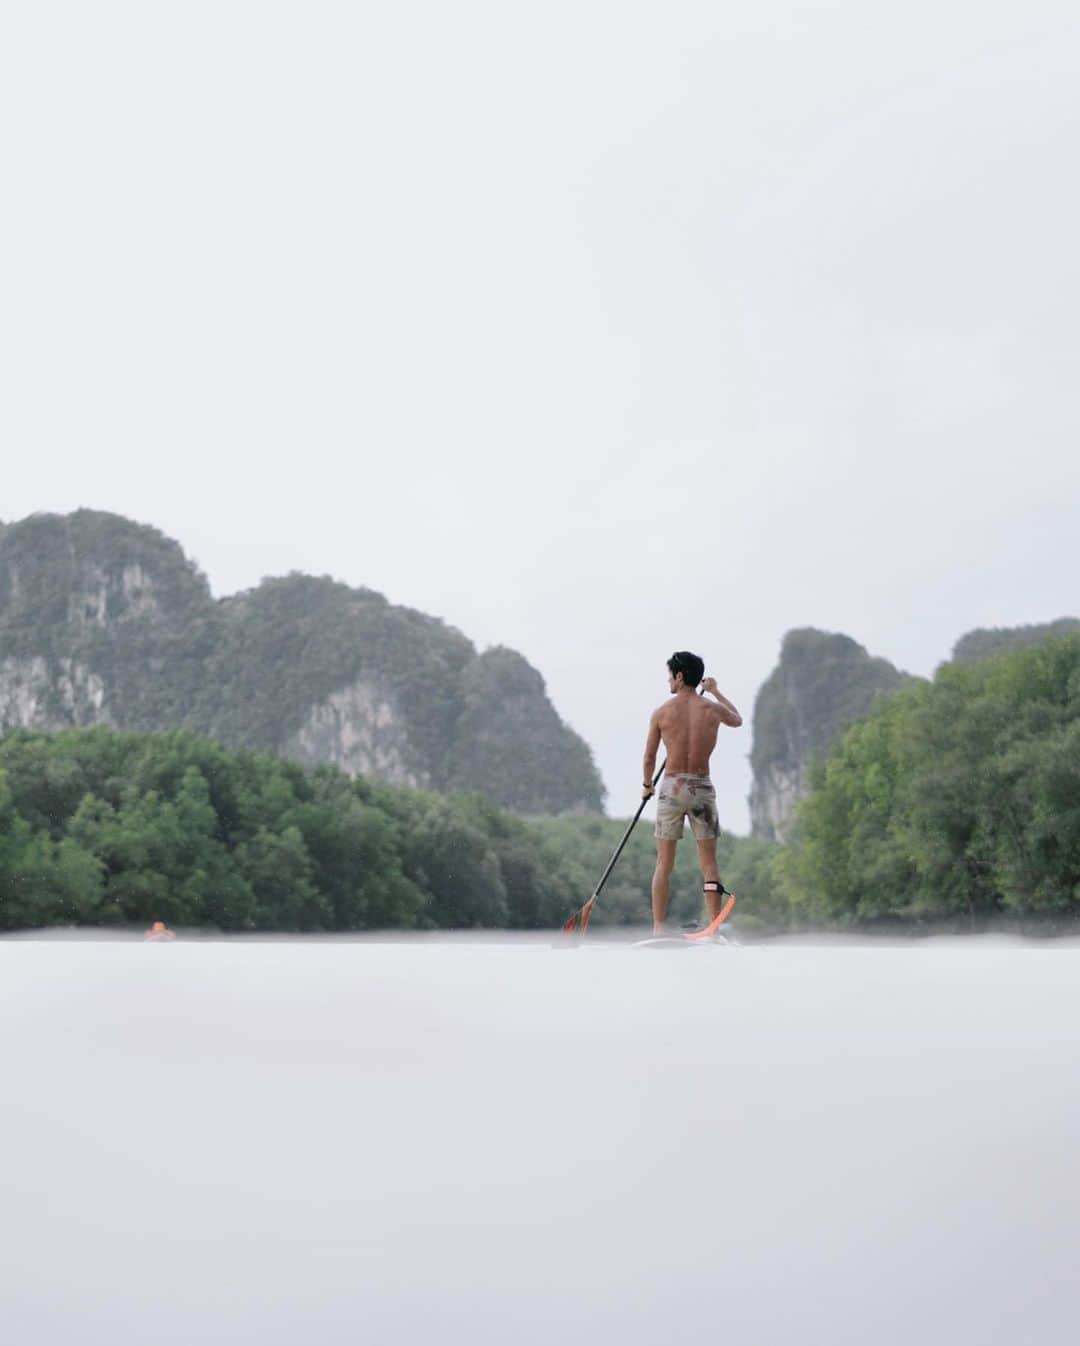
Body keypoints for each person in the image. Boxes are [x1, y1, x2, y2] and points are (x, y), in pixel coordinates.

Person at [641, 651, 742, 934]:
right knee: (709, 863)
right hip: (701, 787)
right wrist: (715, 692)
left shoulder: (661, 712)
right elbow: (737, 720)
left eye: (670, 676)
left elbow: (649, 756)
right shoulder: (711, 709)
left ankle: (658, 928)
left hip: (672, 786)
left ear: (680, 676)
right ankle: (714, 928)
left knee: (664, 862)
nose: (668, 682)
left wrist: (647, 785)